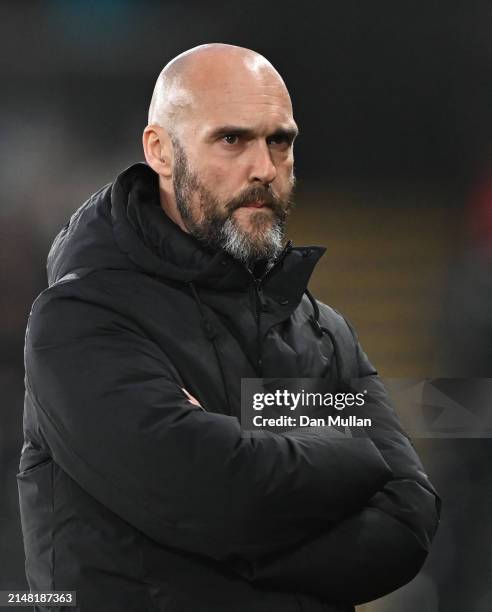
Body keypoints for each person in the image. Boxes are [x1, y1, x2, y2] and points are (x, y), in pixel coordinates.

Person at [19, 44, 440, 612]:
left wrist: (226, 563)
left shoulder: (322, 331)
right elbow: (209, 493)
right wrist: (349, 456)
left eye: (280, 141)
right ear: (160, 150)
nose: (264, 167)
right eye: (232, 139)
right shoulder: (82, 321)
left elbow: (407, 519)